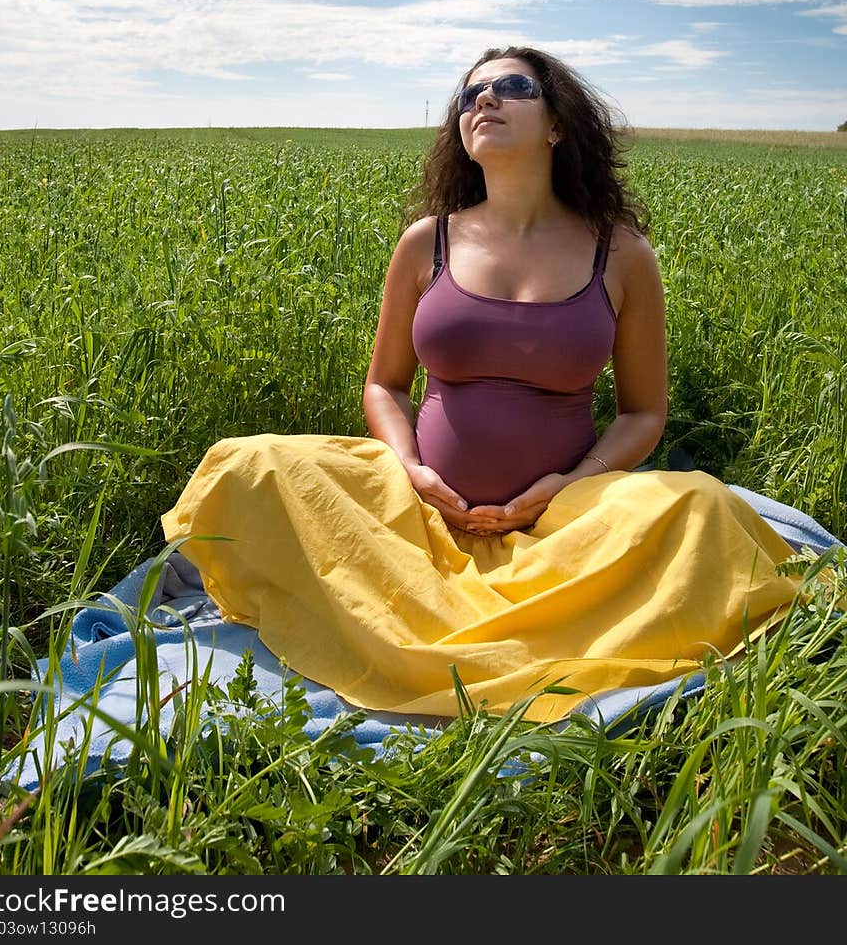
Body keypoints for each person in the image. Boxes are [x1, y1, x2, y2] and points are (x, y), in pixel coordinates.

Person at [161, 46, 801, 725]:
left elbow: (643, 413)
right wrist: (409, 469)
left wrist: (569, 484)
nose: (484, 101)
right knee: (248, 463)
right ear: (461, 132)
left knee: (703, 506)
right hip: (420, 510)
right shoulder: (425, 242)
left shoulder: (621, 254)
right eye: (470, 95)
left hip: (565, 519)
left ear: (558, 124)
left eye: (511, 87)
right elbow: (386, 386)